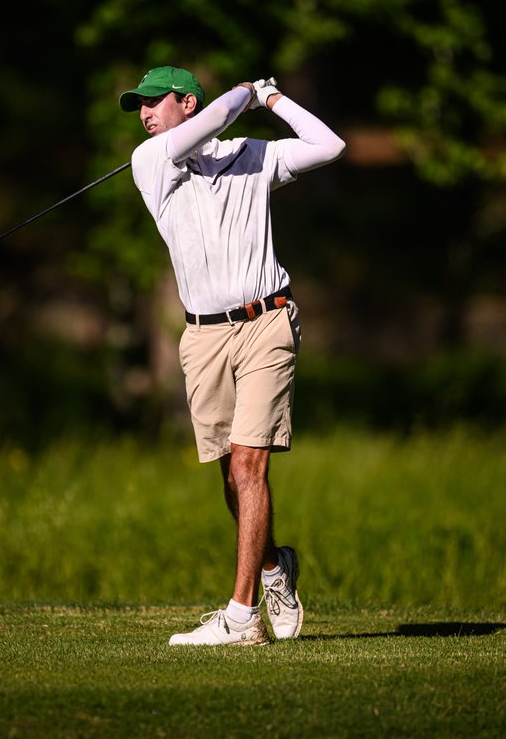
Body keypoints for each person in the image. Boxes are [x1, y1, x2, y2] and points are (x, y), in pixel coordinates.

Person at [119, 66, 346, 646]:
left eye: (152, 103)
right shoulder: (152, 163)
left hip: (267, 322)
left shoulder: (251, 155)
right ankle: (274, 568)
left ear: (184, 101)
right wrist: (245, 92)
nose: (144, 115)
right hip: (201, 337)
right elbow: (219, 114)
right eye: (137, 107)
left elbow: (330, 145)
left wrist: (274, 99)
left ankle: (242, 617)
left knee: (250, 465)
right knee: (230, 473)